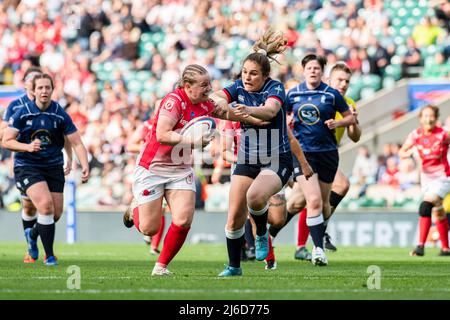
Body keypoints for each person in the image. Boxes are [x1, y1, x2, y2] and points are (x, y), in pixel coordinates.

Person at [122, 64, 265, 276]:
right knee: (149, 229)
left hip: (180, 169)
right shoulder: (173, 101)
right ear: (188, 86)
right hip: (153, 168)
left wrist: (259, 119)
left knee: (183, 220)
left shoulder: (206, 104)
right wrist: (191, 141)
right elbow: (162, 134)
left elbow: (228, 112)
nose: (209, 88)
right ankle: (135, 207)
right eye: (204, 85)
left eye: (209, 83)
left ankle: (160, 267)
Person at [210, 29, 312, 277]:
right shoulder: (237, 86)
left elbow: (269, 112)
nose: (247, 77)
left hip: (276, 159)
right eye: (245, 72)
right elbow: (214, 100)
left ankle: (262, 234)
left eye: (253, 74)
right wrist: (225, 105)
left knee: (255, 197)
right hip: (247, 159)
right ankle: (234, 267)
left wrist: (241, 108)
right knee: (233, 217)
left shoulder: (275, 88)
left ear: (265, 75)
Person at [269, 62, 361, 259]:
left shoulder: (347, 103)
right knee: (332, 189)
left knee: (298, 203)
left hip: (327, 155)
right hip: (305, 154)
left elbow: (355, 136)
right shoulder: (312, 98)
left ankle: (271, 236)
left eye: (347, 81)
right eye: (339, 80)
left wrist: (352, 121)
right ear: (328, 80)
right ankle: (319, 235)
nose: (343, 84)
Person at [2, 73, 90, 266]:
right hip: (28, 166)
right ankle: (49, 256)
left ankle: (32, 235)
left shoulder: (59, 113)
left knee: (55, 214)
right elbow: (6, 140)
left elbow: (75, 141)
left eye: (47, 88)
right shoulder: (22, 112)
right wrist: (27, 147)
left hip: (53, 166)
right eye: (40, 88)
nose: (44, 91)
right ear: (33, 91)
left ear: (52, 89)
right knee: (45, 207)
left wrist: (84, 164)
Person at [399, 105, 450, 256]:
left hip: (442, 177)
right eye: (425, 116)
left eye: (431, 116)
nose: (428, 119)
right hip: (426, 178)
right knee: (438, 211)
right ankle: (446, 248)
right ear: (421, 119)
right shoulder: (415, 135)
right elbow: (402, 151)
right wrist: (406, 154)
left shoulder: (443, 135)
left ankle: (420, 246)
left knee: (425, 206)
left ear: (436, 117)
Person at [124, 103, 167, 256]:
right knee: (152, 212)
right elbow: (129, 145)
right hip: (147, 171)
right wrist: (148, 146)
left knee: (162, 209)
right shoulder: (147, 126)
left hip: (166, 171)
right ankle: (138, 216)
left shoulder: (173, 125)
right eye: (159, 107)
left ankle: (154, 246)